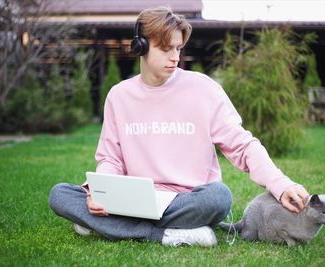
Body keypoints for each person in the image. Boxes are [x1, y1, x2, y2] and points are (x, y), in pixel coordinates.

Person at [49, 6, 309, 247]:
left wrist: (281, 184)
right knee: (59, 195)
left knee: (219, 197)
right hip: (134, 199)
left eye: (178, 49)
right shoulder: (119, 96)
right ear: (141, 46)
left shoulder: (204, 89)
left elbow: (243, 145)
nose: (175, 57)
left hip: (188, 200)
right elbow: (110, 158)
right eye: (166, 49)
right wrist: (102, 191)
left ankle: (109, 227)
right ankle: (169, 234)